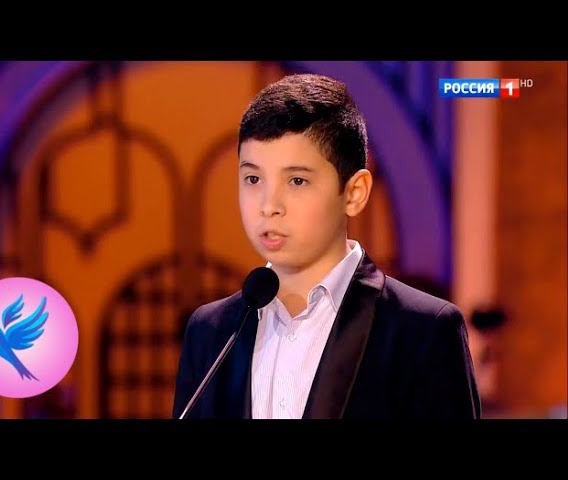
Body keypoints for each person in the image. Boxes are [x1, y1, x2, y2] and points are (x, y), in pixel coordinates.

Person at [173, 73, 480, 419]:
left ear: (354, 193)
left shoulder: (423, 330)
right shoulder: (211, 332)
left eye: (297, 180)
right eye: (253, 178)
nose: (268, 205)